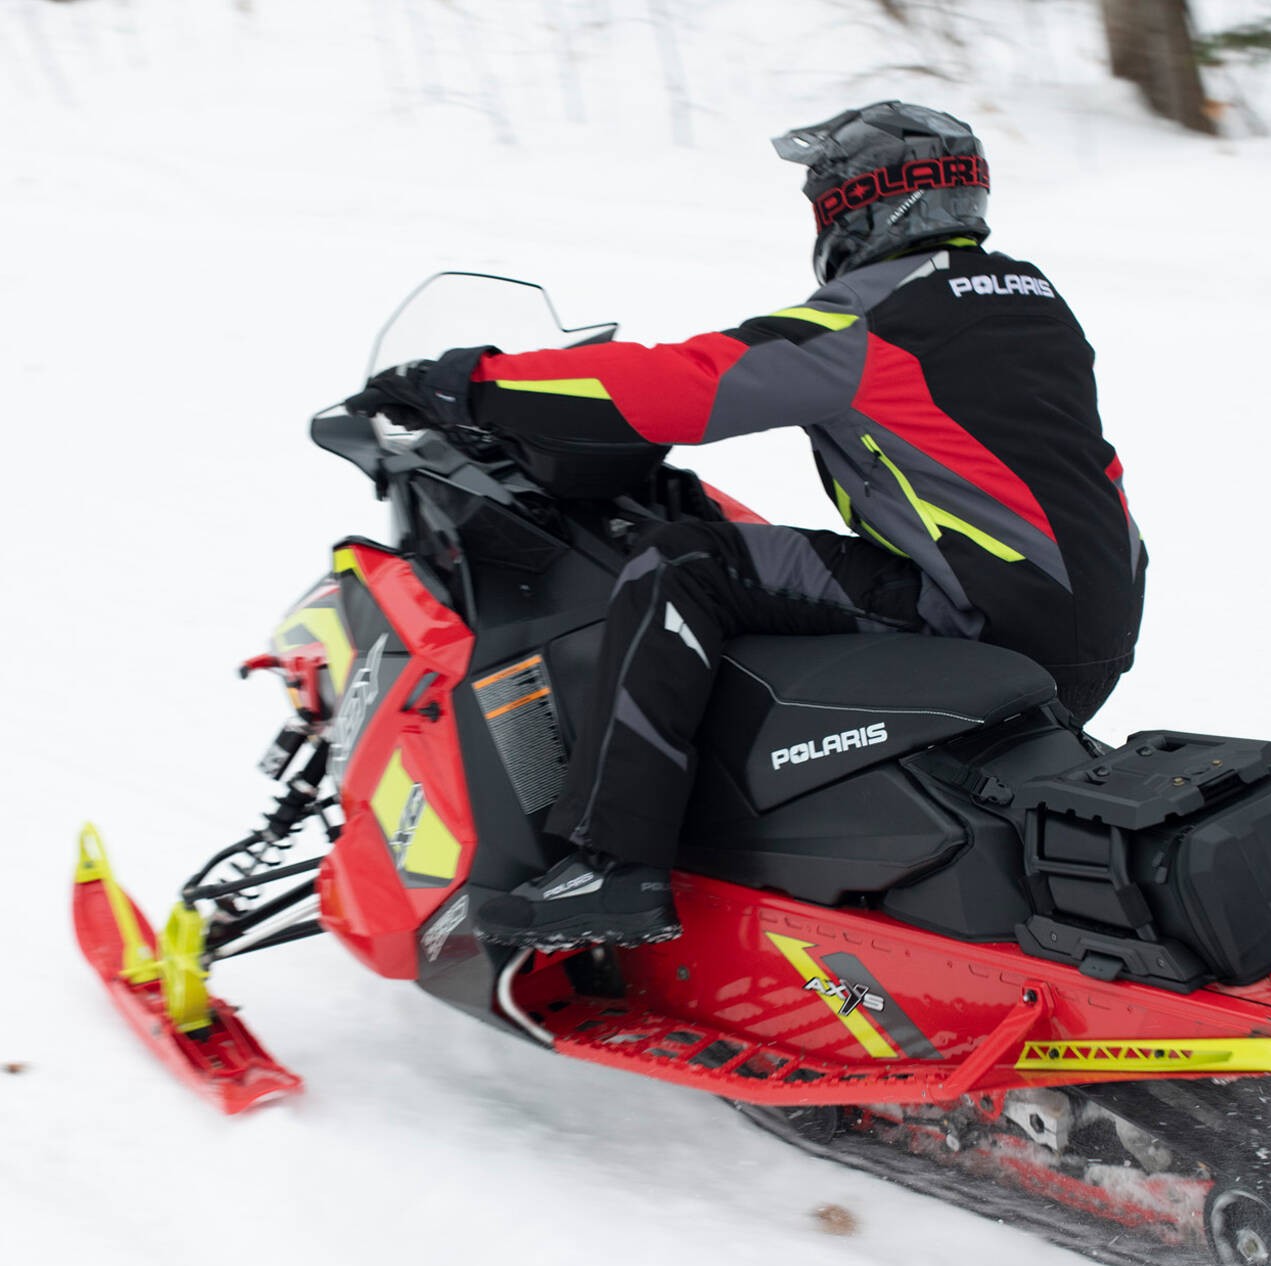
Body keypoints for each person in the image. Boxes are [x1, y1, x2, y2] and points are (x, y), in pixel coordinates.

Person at [348, 100, 1146, 953]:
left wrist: (469, 383)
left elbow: (682, 386)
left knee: (677, 563)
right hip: (1096, 624)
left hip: (978, 615)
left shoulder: (876, 319)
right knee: (753, 551)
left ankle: (617, 867)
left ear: (860, 208)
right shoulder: (1031, 298)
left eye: (825, 204)